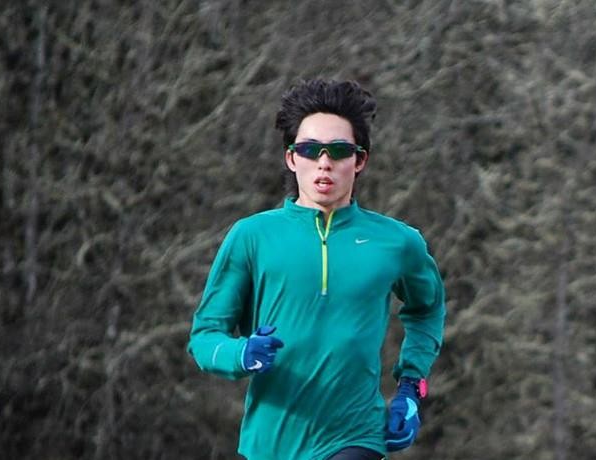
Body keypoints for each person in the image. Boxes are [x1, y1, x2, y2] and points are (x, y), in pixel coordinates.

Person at [188, 79, 446, 460]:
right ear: (292, 158)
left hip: (355, 435)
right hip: (269, 442)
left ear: (359, 160)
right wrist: (241, 354)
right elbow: (204, 338)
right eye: (310, 150)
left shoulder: (397, 242)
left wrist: (411, 386)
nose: (324, 162)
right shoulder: (252, 237)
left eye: (338, 150)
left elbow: (428, 310)